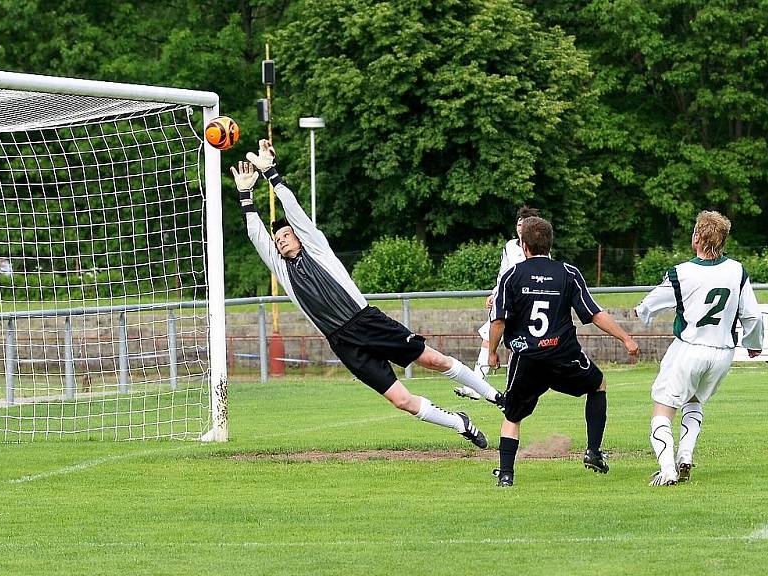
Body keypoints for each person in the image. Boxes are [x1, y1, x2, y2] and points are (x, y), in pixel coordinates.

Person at [232, 139, 503, 449]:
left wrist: (272, 175)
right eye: (276, 239)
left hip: (366, 321)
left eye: (285, 234)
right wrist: (245, 195)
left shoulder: (318, 250)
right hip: (343, 342)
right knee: (402, 401)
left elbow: (294, 211)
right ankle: (460, 423)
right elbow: (256, 236)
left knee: (434, 360)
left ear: (299, 236)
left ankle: (494, 395)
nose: (279, 241)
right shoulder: (283, 272)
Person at [487, 216, 639, 486]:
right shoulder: (568, 273)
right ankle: (593, 450)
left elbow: (498, 320)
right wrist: (625, 339)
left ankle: (507, 475)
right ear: (550, 243)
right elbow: (594, 314)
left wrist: (492, 352)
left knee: (512, 415)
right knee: (598, 384)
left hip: (527, 357)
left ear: (524, 245)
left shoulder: (511, 276)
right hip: (563, 356)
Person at [635, 211, 764, 486]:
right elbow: (752, 315)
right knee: (694, 402)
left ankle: (667, 469)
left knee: (663, 408)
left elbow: (652, 302)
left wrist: (641, 311)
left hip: (689, 348)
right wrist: (753, 345)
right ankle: (685, 456)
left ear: (696, 238)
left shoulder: (681, 273)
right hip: (722, 353)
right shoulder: (737, 270)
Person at [454, 206, 541, 400]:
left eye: (523, 224)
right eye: (518, 224)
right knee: (489, 337)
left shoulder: (539, 248)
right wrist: (495, 294)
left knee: (519, 345)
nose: (520, 227)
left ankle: (519, 386)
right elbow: (503, 275)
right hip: (508, 301)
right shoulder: (510, 246)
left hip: (527, 304)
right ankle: (477, 384)